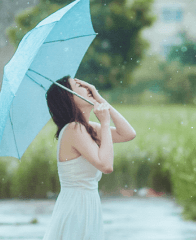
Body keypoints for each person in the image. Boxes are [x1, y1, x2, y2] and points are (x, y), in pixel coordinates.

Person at [43, 75, 136, 240]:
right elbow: (106, 166)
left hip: (87, 203)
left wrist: (100, 99)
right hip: (76, 206)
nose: (87, 87)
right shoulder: (74, 129)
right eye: (78, 86)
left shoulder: (86, 128)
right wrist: (105, 123)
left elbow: (128, 133)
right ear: (69, 98)